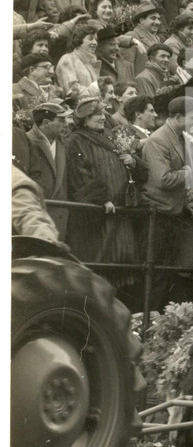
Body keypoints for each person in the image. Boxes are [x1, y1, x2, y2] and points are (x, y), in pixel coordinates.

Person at [65, 96, 148, 309]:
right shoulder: (77, 140)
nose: (102, 118)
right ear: (84, 119)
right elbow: (80, 176)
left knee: (122, 269)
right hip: (99, 218)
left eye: (103, 114)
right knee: (100, 269)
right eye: (96, 114)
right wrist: (101, 199)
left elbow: (139, 170)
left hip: (121, 214)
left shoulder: (112, 137)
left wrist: (133, 161)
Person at [141, 95, 193, 307]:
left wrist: (187, 201)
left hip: (173, 213)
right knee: (155, 271)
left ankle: (157, 316)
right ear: (177, 117)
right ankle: (148, 318)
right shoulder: (158, 140)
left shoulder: (178, 136)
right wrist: (187, 172)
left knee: (165, 272)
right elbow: (163, 179)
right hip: (158, 215)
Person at [17, 101, 73, 237]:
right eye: (61, 120)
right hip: (34, 222)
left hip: (59, 221)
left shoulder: (63, 144)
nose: (67, 123)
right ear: (46, 123)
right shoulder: (25, 142)